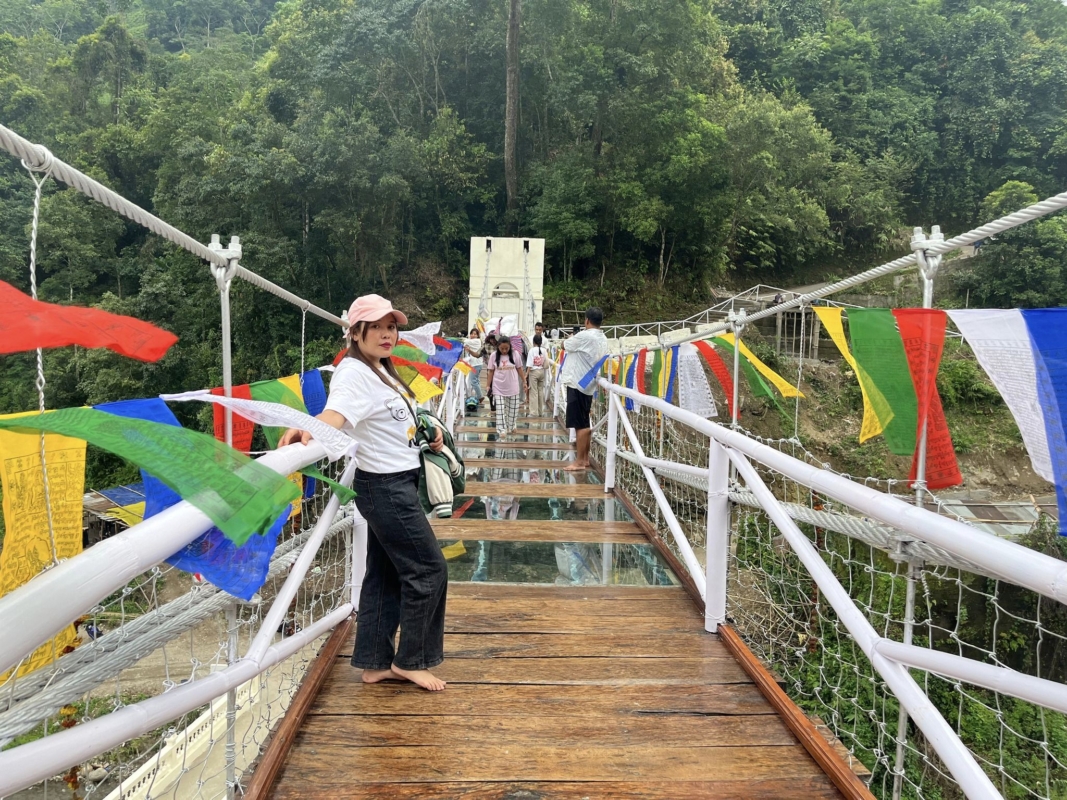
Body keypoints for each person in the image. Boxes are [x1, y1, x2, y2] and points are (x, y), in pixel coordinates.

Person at [278, 294, 448, 692]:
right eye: (377, 327)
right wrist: (309, 427)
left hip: (396, 481)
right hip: (386, 489)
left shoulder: (379, 369)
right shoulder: (353, 372)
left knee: (385, 575)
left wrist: (427, 433)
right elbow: (336, 414)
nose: (388, 334)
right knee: (429, 571)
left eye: (392, 327)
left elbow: (394, 417)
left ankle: (374, 662)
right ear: (355, 333)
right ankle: (411, 660)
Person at [561, 307, 609, 471]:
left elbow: (564, 345)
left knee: (579, 425)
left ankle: (580, 461)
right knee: (584, 422)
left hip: (577, 383)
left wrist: (570, 338)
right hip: (588, 384)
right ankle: (585, 458)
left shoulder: (584, 336)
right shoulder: (603, 338)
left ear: (587, 320)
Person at [486, 337, 525, 439]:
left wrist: (524, 381)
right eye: (502, 348)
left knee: (513, 410)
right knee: (500, 408)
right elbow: (490, 371)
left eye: (506, 348)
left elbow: (520, 368)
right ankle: (502, 429)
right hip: (498, 386)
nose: (504, 351)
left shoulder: (515, 354)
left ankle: (512, 425)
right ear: (498, 347)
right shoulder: (493, 356)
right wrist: (487, 385)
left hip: (513, 386)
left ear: (510, 347)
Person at [526, 334, 549, 418]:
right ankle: (541, 411)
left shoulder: (532, 350)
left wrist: (526, 375)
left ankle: (533, 412)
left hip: (534, 372)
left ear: (533, 342)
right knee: (540, 391)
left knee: (533, 392)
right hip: (542, 371)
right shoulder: (544, 350)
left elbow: (529, 364)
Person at [463, 328, 484, 406]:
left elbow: (465, 342)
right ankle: (479, 396)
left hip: (476, 364)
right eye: (472, 334)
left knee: (473, 381)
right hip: (477, 364)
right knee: (476, 381)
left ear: (478, 335)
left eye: (475, 334)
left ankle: (480, 397)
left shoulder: (477, 341)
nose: (473, 335)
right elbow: (466, 344)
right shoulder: (473, 341)